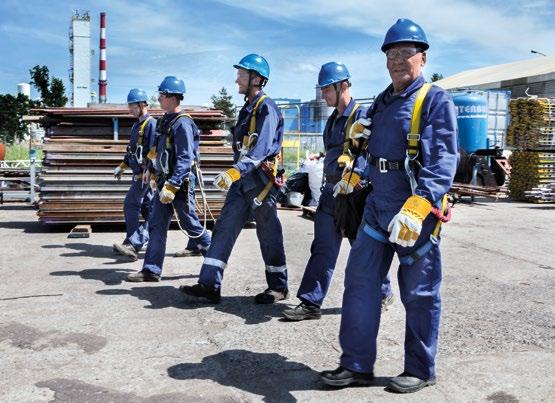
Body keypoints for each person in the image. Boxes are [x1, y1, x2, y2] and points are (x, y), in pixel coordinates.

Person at [321, 18, 458, 393]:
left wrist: (419, 205)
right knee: (360, 285)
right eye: (391, 54)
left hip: (414, 209)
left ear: (422, 58)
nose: (397, 61)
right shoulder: (382, 101)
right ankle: (356, 365)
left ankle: (420, 368)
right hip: (377, 208)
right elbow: (368, 149)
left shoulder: (433, 100)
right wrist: (355, 165)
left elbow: (443, 159)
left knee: (420, 292)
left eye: (405, 53)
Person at [282, 62, 393, 321]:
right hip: (330, 193)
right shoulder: (332, 120)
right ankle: (310, 303)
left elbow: (369, 151)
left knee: (363, 250)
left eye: (327, 90)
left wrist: (355, 175)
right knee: (322, 248)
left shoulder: (361, 114)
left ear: (343, 85)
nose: (323, 96)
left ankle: (382, 292)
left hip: (355, 195)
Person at [180, 54, 288, 304]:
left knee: (269, 233)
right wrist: (236, 174)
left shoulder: (266, 107)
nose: (236, 79)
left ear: (256, 79)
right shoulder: (247, 109)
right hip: (242, 183)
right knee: (223, 229)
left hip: (261, 183)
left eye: (241, 74)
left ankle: (279, 287)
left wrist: (235, 171)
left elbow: (261, 149)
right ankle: (209, 285)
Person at [126, 76, 211, 282]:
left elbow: (185, 158)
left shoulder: (183, 124)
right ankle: (151, 270)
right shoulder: (165, 120)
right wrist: (151, 169)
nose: (159, 99)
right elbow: (158, 149)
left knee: (190, 224)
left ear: (173, 97)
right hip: (164, 182)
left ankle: (216, 258)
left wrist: (172, 186)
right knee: (156, 224)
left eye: (162, 95)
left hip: (179, 184)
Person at [113, 88, 156, 260]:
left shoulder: (151, 124)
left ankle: (132, 243)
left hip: (146, 176)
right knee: (150, 210)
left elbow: (154, 149)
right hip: (138, 173)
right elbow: (131, 151)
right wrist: (122, 166)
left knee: (130, 204)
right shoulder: (136, 125)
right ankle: (135, 240)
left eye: (132, 106)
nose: (129, 109)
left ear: (142, 104)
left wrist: (150, 170)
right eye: (129, 106)